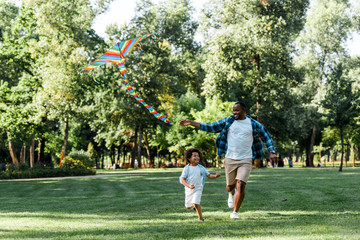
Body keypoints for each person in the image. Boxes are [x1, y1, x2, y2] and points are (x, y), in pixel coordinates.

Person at [180, 101, 276, 219]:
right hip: (230, 159)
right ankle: (231, 193)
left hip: (246, 159)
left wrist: (272, 151)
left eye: (237, 110)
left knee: (240, 184)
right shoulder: (228, 121)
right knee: (230, 187)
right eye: (233, 110)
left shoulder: (253, 124)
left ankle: (235, 212)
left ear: (244, 111)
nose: (234, 112)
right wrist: (191, 123)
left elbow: (266, 136)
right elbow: (210, 127)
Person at [180, 148, 221, 221]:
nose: (197, 157)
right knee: (188, 206)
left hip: (198, 188)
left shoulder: (201, 168)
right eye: (194, 156)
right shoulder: (186, 168)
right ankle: (193, 206)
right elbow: (183, 179)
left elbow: (208, 175)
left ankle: (200, 218)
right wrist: (189, 186)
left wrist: (215, 176)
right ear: (189, 158)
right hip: (189, 189)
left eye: (198, 156)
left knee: (195, 203)